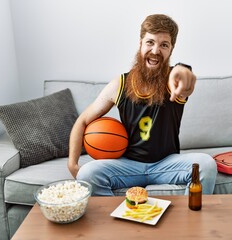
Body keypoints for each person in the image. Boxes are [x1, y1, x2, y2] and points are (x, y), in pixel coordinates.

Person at [68, 14, 217, 196]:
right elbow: (82, 121)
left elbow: (184, 75)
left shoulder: (174, 80)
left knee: (206, 164)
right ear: (140, 44)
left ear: (171, 49)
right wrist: (72, 163)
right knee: (87, 173)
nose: (155, 50)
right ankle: (117, 218)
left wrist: (183, 71)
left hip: (167, 164)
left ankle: (189, 221)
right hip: (128, 165)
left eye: (164, 45)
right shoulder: (120, 84)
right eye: (150, 42)